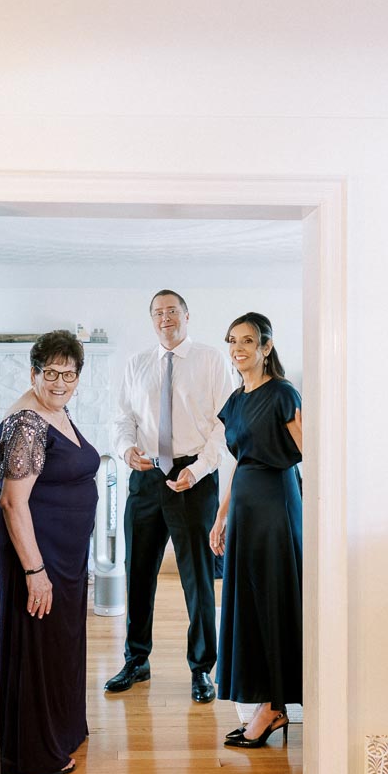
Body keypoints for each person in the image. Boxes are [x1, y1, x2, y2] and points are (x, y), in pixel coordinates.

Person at [108, 290, 231, 704]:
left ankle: (201, 669)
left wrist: (196, 471)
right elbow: (123, 418)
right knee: (137, 572)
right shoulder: (136, 364)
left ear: (187, 315)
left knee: (198, 577)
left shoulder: (212, 360)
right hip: (145, 478)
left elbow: (223, 425)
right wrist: (126, 450)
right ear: (151, 319)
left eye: (172, 311)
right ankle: (136, 660)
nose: (165, 318)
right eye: (158, 313)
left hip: (194, 477)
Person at [0, 331, 99, 774]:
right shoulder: (27, 422)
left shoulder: (55, 410)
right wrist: (34, 571)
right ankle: (35, 752)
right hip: (41, 557)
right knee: (39, 647)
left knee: (61, 644)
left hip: (67, 556)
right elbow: (13, 502)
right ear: (34, 372)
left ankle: (63, 728)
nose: (60, 382)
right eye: (51, 373)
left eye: (69, 374)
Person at [208, 313, 302, 749]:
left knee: (272, 600)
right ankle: (268, 706)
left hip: (275, 506)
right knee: (247, 603)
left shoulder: (283, 393)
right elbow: (240, 462)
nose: (238, 348)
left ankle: (271, 709)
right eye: (233, 341)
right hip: (245, 504)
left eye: (247, 340)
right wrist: (221, 515)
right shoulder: (235, 400)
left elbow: (310, 452)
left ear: (266, 347)